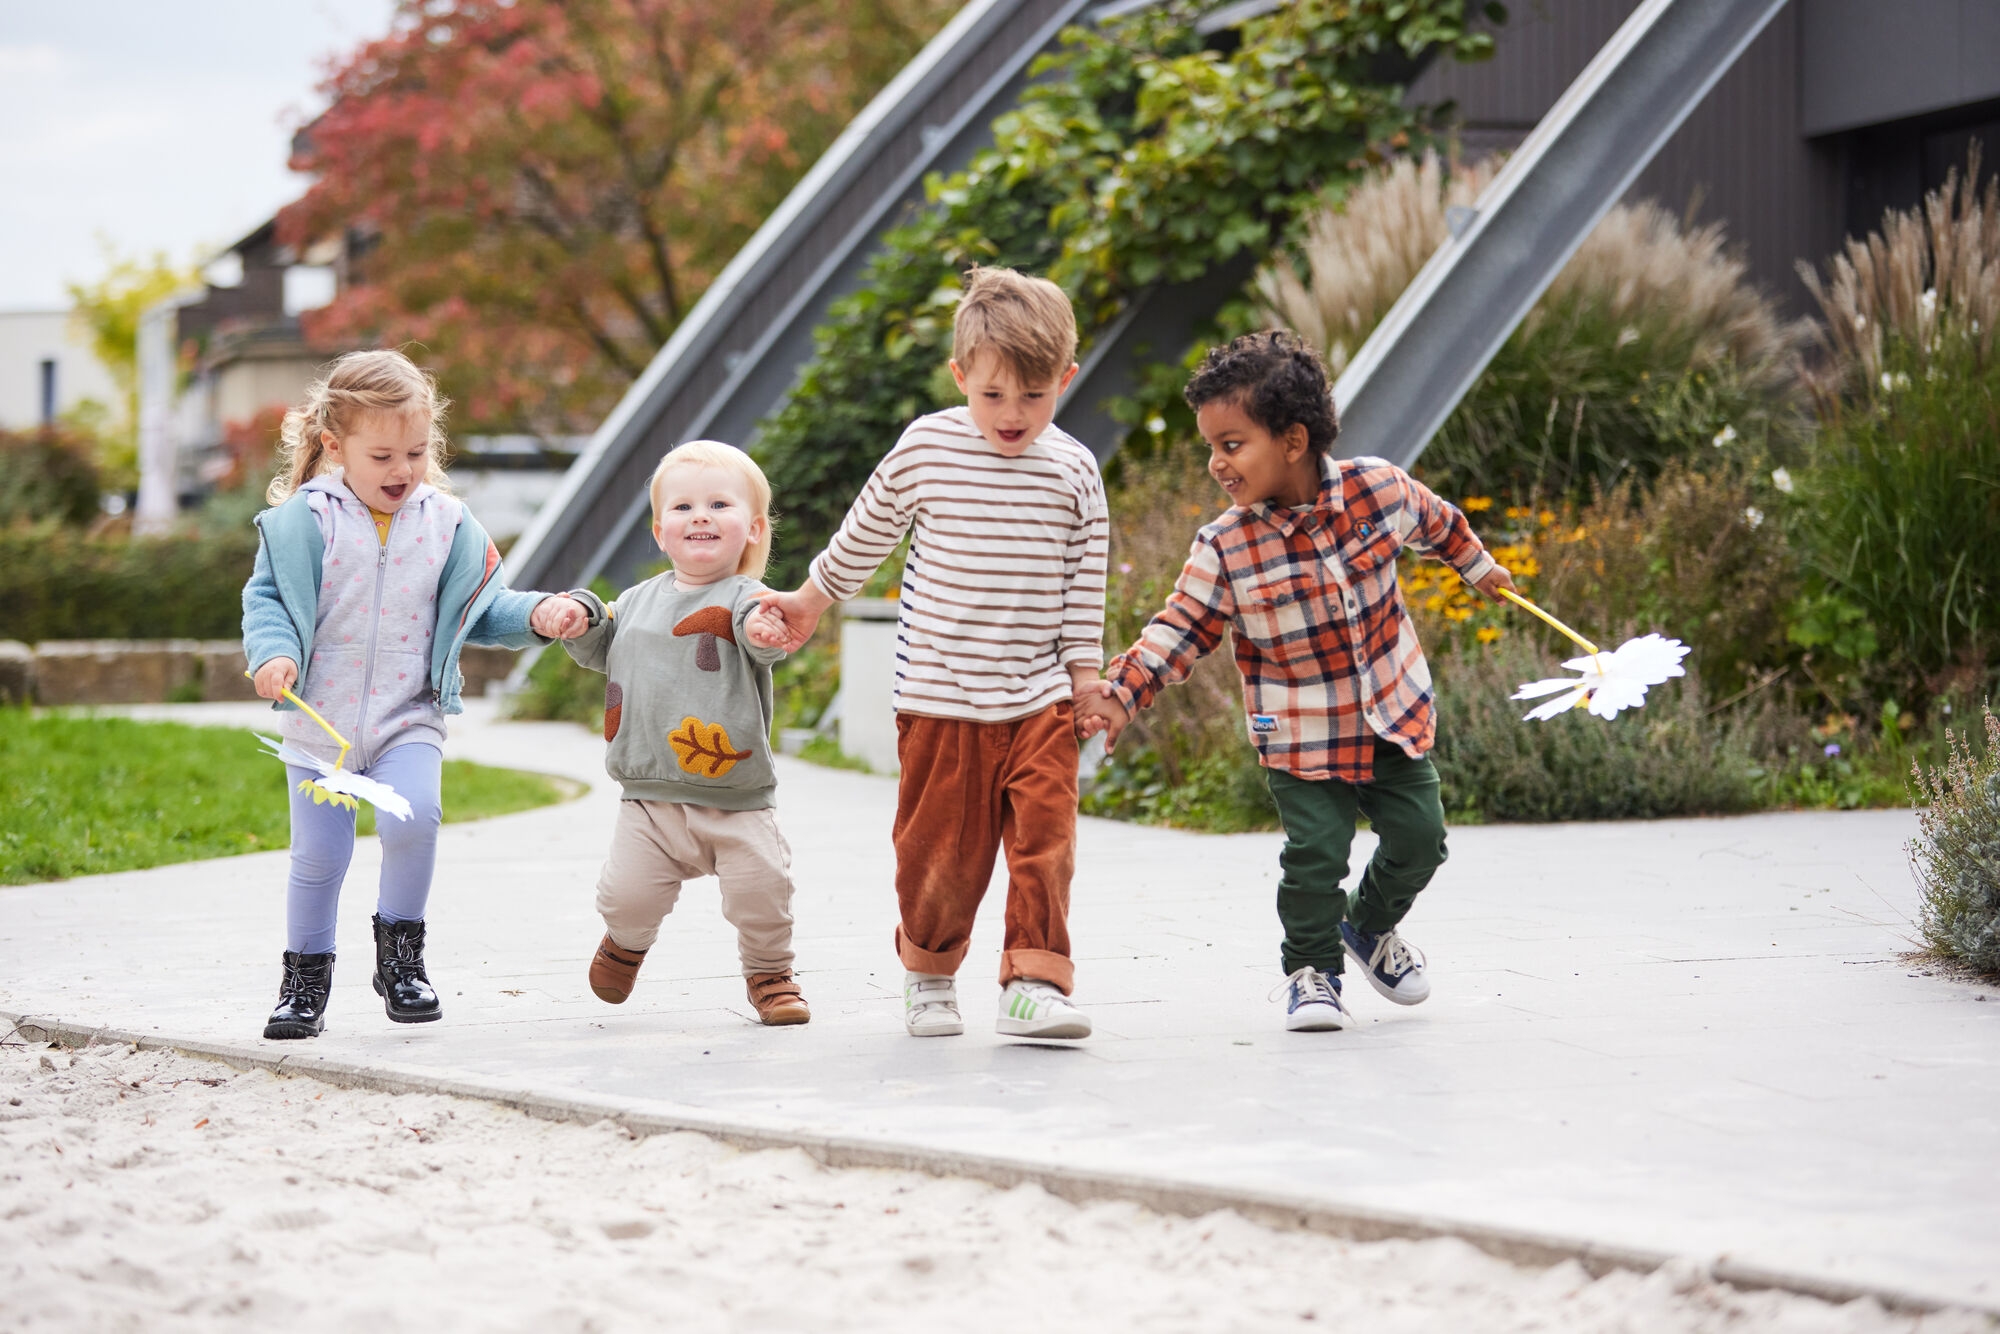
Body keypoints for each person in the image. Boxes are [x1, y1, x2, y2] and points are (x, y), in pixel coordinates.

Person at [1073, 331, 1516, 1032]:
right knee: (1315, 857)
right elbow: (1180, 627)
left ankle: (1367, 928)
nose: (1217, 463)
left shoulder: (1377, 489)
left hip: (1389, 713)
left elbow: (1438, 523)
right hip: (1302, 733)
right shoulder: (1226, 546)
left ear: (1292, 440)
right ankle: (1312, 971)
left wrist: (1478, 566)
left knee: (1422, 836)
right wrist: (1123, 692)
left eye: (1232, 443)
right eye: (1212, 447)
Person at [759, 266, 1107, 1041]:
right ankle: (930, 972)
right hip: (941, 698)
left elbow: (1088, 583)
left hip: (1040, 700)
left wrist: (1086, 677)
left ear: (1066, 378)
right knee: (939, 855)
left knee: (1045, 846)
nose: (1012, 415)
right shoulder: (927, 447)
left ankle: (1034, 982)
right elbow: (865, 536)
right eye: (991, 396)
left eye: (1034, 395)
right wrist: (810, 603)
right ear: (960, 377)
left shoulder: (1075, 470)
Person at [243, 349, 587, 1041]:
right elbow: (268, 600)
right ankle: (304, 981)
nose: (403, 470)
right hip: (320, 729)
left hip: (408, 718)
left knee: (415, 818)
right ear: (335, 447)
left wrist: (540, 615)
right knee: (319, 857)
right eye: (383, 456)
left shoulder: (449, 526)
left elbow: (480, 610)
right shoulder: (302, 523)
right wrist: (273, 654)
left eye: (417, 452)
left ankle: (401, 961)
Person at [560, 441, 811, 1027]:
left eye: (718, 503)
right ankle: (624, 941)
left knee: (763, 894)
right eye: (683, 507)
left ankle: (770, 973)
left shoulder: (748, 599)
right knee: (626, 895)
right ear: (659, 531)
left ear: (750, 530)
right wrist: (579, 617)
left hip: (734, 795)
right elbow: (599, 644)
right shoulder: (635, 601)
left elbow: (753, 632)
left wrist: (767, 630)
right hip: (649, 795)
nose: (699, 515)